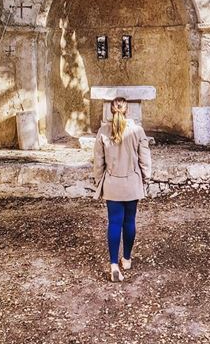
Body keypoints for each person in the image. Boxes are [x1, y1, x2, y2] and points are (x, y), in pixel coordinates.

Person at [93, 97, 152, 282]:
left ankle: (113, 265)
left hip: (112, 183)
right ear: (128, 110)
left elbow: (98, 161)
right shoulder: (137, 131)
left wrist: (98, 181)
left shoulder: (103, 131)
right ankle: (126, 259)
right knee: (129, 221)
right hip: (132, 183)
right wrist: (146, 178)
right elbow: (145, 159)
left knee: (114, 222)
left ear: (111, 111)